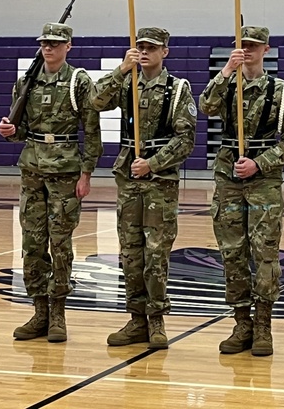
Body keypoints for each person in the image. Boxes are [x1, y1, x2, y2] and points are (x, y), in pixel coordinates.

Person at [89, 27, 196, 349]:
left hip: (159, 182)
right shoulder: (126, 84)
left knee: (156, 255)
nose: (145, 52)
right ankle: (136, 319)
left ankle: (157, 320)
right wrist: (122, 68)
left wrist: (154, 163)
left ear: (165, 52)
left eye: (152, 47)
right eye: (140, 47)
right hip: (129, 179)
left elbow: (185, 139)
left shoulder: (176, 90)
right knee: (131, 254)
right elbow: (94, 100)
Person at [199, 25, 284, 357]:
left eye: (254, 45)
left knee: (265, 253)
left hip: (263, 180)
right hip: (228, 177)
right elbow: (205, 107)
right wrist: (226, 70)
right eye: (243, 45)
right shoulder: (228, 85)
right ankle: (241, 321)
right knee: (232, 252)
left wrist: (259, 163)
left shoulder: (282, 91)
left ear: (266, 49)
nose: (248, 50)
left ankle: (263, 326)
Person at [0, 22, 102, 343]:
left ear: (68, 46)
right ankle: (39, 311)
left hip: (66, 173)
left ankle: (58, 313)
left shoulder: (78, 81)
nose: (48, 48)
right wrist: (10, 132)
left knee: (60, 245)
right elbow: (21, 131)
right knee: (31, 244)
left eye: (55, 43)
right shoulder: (26, 82)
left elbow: (92, 130)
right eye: (44, 43)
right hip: (31, 171)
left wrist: (87, 173)